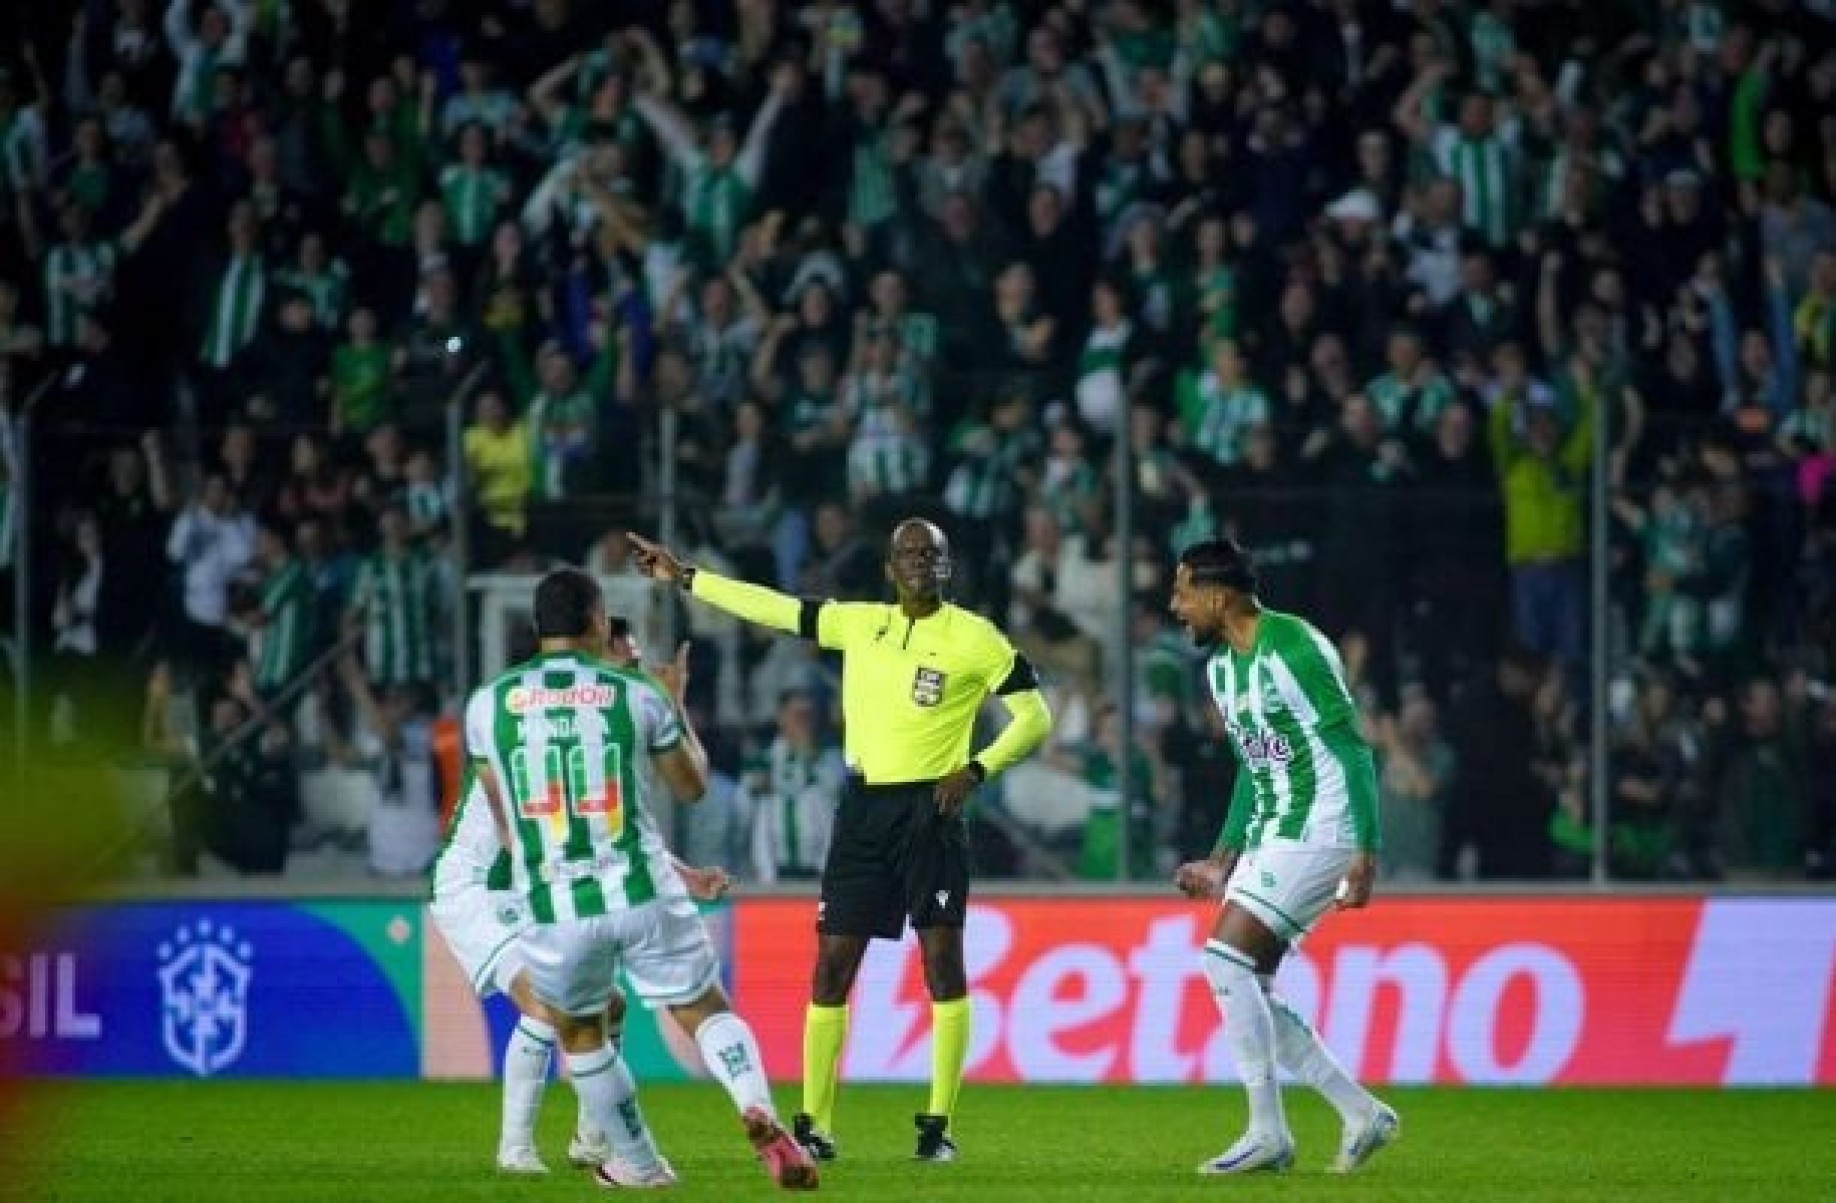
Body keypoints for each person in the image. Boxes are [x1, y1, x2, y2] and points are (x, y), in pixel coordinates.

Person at [629, 518, 1054, 1163]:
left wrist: (976, 770)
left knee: (942, 964)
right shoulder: (862, 624)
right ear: (890, 569)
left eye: (931, 554)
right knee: (831, 967)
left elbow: (1035, 716)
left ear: (947, 567)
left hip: (930, 809)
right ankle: (814, 1123)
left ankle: (938, 1123)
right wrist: (686, 577)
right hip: (862, 810)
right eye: (908, 554)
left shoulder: (976, 639)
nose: (919, 563)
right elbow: (774, 608)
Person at [463, 569, 817, 1189]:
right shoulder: (635, 693)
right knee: (704, 1009)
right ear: (599, 619)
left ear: (534, 626)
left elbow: (503, 813)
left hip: (555, 901)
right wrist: (675, 701)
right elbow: (693, 786)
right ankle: (754, 1105)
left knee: (579, 1030)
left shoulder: (487, 705)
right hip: (642, 885)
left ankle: (641, 1164)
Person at [1166, 538, 1398, 1175]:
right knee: (1248, 984)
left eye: (1184, 592)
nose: (1175, 605)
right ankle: (1360, 1113)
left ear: (1219, 596)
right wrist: (1221, 859)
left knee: (1224, 959)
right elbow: (1252, 762)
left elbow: (1353, 749)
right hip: (1276, 829)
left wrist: (1366, 852)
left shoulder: (1296, 647)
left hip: (1325, 825)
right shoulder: (1221, 669)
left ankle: (1268, 1132)